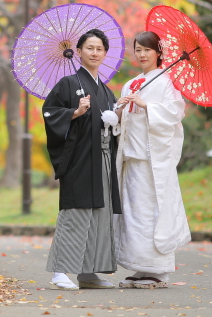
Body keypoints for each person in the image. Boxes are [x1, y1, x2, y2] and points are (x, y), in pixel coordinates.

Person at [42, 28, 121, 290]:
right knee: (76, 212)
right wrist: (75, 112)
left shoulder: (107, 92)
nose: (95, 52)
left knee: (100, 214)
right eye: (90, 48)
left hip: (103, 158)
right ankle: (61, 270)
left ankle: (88, 273)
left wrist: (115, 120)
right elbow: (50, 113)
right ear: (78, 52)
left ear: (105, 54)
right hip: (79, 159)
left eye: (99, 49)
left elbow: (111, 127)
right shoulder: (68, 84)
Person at [114, 31, 191, 289]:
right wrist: (119, 110)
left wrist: (148, 106)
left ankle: (158, 270)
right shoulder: (131, 83)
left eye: (147, 49)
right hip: (132, 157)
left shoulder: (168, 81)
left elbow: (175, 112)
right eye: (137, 50)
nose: (142, 54)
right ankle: (140, 267)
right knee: (134, 213)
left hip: (152, 159)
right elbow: (122, 123)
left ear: (158, 52)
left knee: (152, 213)